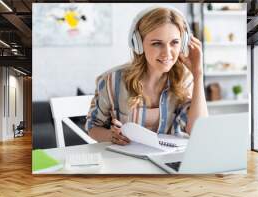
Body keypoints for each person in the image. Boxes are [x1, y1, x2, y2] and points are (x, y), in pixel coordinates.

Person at [85, 6, 208, 145]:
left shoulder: (185, 79)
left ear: (184, 42)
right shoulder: (112, 80)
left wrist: (198, 74)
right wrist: (110, 136)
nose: (167, 53)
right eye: (157, 44)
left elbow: (198, 131)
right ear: (138, 44)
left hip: (167, 161)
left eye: (174, 42)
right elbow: (92, 127)